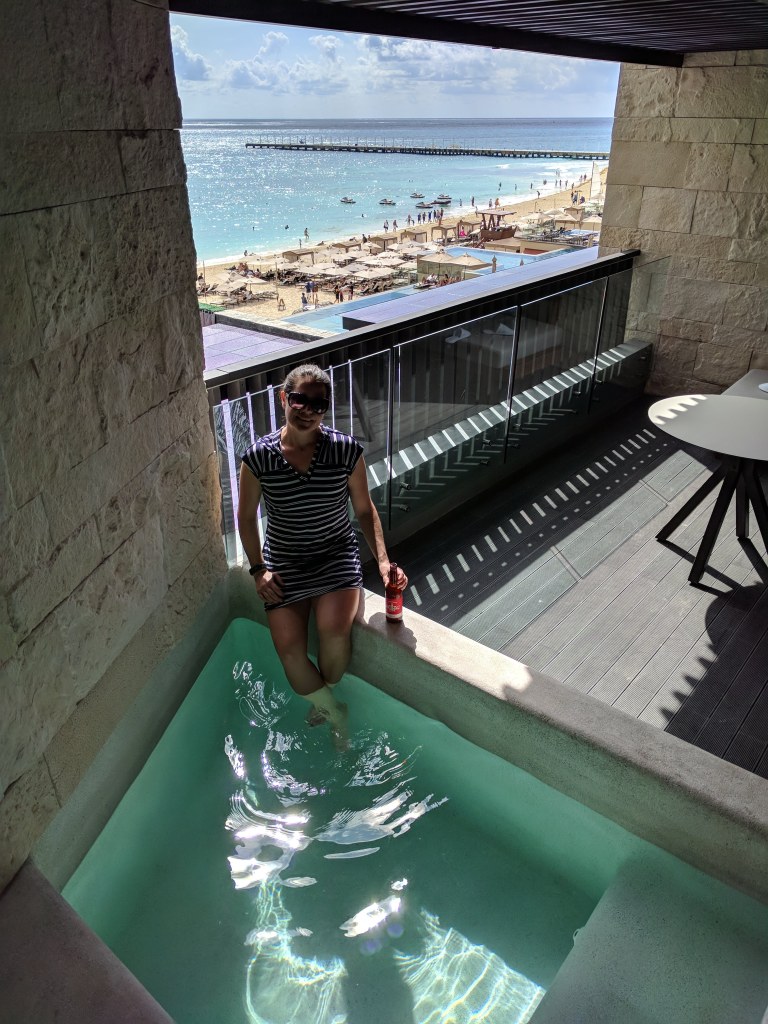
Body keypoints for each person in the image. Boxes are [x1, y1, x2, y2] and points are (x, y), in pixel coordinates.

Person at [237, 364, 407, 748]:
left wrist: (382, 560)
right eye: (299, 399)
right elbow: (246, 519)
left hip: (335, 556)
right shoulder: (258, 458)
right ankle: (334, 708)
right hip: (282, 563)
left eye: (319, 404)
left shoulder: (345, 450)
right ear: (284, 398)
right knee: (291, 654)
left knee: (333, 636)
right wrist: (258, 571)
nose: (308, 409)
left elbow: (364, 510)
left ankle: (325, 700)